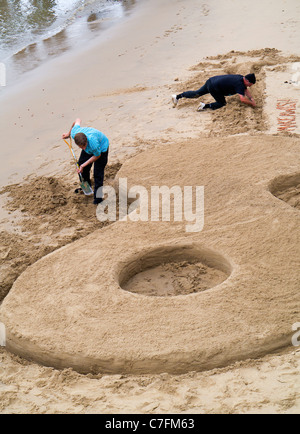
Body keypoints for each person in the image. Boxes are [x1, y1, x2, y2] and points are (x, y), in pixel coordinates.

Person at [62, 118, 109, 204]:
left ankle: (98, 199)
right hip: (90, 149)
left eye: (84, 146)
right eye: (81, 147)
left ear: (86, 140)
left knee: (97, 173)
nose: (83, 148)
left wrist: (84, 164)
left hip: (101, 149)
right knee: (81, 167)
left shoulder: (93, 143)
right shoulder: (74, 133)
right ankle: (87, 187)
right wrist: (68, 134)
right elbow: (77, 120)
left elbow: (97, 155)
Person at [172, 73, 256, 111]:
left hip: (211, 81)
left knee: (196, 93)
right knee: (221, 103)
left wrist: (251, 98)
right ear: (247, 81)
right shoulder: (240, 85)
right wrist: (252, 103)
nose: (250, 86)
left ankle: (177, 97)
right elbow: (242, 99)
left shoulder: (240, 77)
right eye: (251, 84)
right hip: (215, 87)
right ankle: (204, 106)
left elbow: (245, 90)